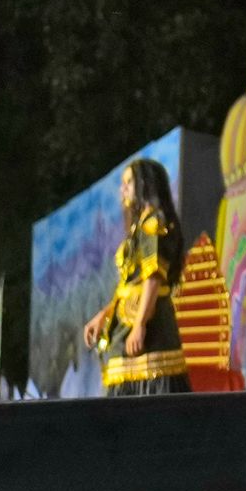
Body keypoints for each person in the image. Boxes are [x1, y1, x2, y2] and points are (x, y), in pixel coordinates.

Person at [80, 155, 187, 393]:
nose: (123, 189)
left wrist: (140, 325)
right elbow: (130, 283)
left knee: (147, 392)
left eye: (129, 182)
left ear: (144, 185)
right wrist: (104, 315)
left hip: (148, 326)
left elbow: (153, 278)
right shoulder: (140, 225)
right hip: (127, 321)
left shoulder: (153, 222)